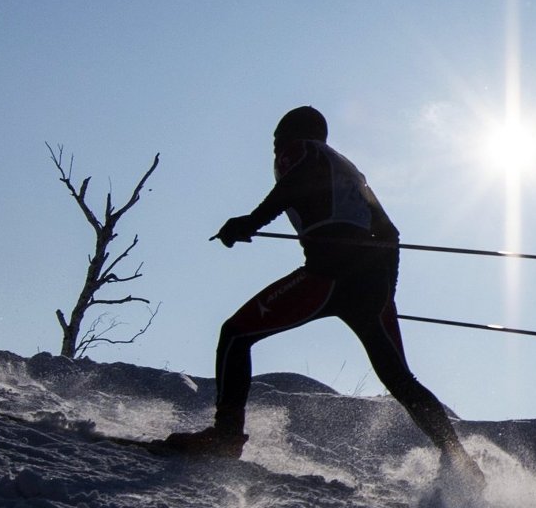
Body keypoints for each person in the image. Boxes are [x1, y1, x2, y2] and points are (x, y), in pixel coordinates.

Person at [159, 106, 483, 484]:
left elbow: (293, 185)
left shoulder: (301, 150)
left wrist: (248, 223)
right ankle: (460, 462)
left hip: (328, 274)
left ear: (290, 134)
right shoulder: (350, 170)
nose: (276, 147)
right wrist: (385, 295)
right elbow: (391, 233)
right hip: (372, 282)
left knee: (235, 335)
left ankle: (226, 436)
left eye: (277, 137)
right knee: (400, 379)